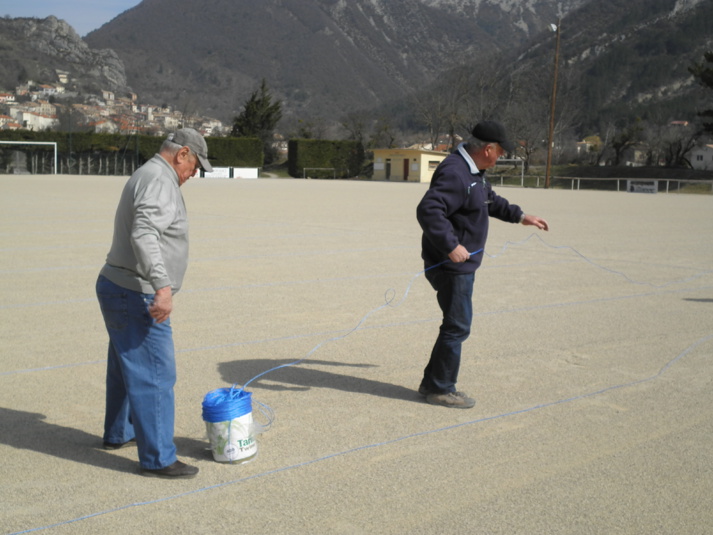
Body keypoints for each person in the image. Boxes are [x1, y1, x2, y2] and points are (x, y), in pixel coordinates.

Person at [96, 128, 212, 477]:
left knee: (124, 366)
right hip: (136, 291)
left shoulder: (147, 173)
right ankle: (159, 458)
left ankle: (119, 433)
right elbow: (144, 234)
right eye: (195, 167)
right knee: (156, 374)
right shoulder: (161, 181)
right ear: (183, 154)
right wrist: (162, 287)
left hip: (118, 284)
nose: (194, 174)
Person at [416, 120, 549, 409]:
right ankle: (440, 389)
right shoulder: (455, 172)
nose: (500, 157)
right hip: (450, 265)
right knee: (457, 326)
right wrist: (451, 245)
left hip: (459, 264)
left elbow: (488, 199)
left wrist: (521, 216)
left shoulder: (474, 172)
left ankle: (432, 383)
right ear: (488, 149)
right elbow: (429, 210)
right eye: (500, 152)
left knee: (454, 325)